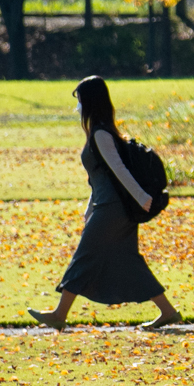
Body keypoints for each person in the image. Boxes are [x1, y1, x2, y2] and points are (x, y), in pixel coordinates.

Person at [29, 75, 182, 331]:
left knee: (84, 256)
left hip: (113, 210)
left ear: (90, 102)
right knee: (128, 260)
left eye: (79, 101)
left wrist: (142, 198)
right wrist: (89, 210)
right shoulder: (98, 133)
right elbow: (98, 178)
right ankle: (167, 311)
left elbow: (120, 171)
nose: (77, 107)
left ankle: (59, 314)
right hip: (107, 207)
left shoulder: (101, 133)